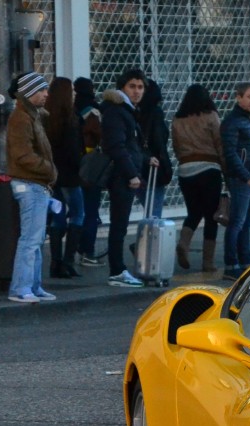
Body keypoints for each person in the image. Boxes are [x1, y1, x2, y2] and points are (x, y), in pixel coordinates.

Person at [100, 68, 156, 287]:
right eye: (132, 86)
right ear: (123, 87)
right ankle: (117, 270)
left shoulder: (127, 110)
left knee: (120, 224)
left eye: (140, 87)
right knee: (119, 224)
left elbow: (130, 146)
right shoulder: (117, 111)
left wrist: (145, 158)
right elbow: (117, 146)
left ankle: (118, 269)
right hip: (121, 176)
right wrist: (132, 174)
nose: (136, 91)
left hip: (126, 173)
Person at [5, 71, 57, 303]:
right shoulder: (21, 118)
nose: (46, 94)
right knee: (30, 240)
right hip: (30, 183)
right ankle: (21, 287)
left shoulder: (31, 116)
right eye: (41, 90)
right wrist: (49, 169)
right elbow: (23, 154)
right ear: (28, 92)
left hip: (35, 183)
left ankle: (33, 286)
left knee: (35, 239)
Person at [171, 84, 223, 272]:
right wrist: (225, 169)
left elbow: (176, 146)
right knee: (211, 216)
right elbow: (219, 143)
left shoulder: (177, 119)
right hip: (209, 168)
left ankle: (184, 244)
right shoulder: (211, 116)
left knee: (193, 212)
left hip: (185, 170)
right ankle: (207, 262)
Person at [220, 81, 250, 280]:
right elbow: (230, 154)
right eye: (249, 97)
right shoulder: (233, 121)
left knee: (246, 223)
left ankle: (246, 262)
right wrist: (247, 177)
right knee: (237, 222)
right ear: (238, 97)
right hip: (242, 179)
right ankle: (231, 265)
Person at [44, 77, 84, 279]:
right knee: (78, 214)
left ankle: (55, 263)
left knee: (57, 217)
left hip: (52, 175)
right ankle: (68, 262)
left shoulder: (46, 117)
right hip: (70, 175)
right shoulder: (70, 118)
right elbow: (73, 152)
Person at [73, 77, 105, 267]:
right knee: (91, 210)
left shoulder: (70, 109)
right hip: (91, 165)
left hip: (73, 165)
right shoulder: (93, 111)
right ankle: (87, 251)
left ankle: (72, 251)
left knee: (77, 210)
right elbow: (101, 136)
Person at [137, 77, 173, 218]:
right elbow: (158, 139)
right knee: (154, 213)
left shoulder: (135, 111)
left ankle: (146, 238)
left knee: (149, 209)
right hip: (153, 166)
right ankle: (151, 239)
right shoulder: (155, 112)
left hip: (137, 165)